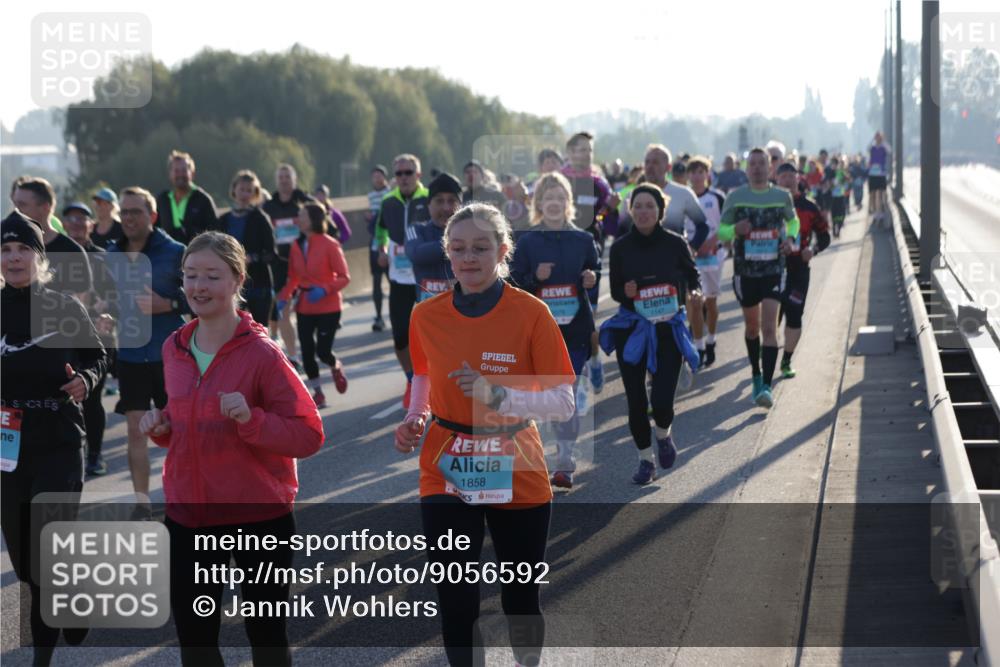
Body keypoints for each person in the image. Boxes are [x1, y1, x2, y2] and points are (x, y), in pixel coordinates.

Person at [394, 202, 575, 667]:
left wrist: (499, 397)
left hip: (517, 463)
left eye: (480, 247)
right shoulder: (424, 316)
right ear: (446, 254)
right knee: (455, 599)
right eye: (458, 248)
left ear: (503, 251)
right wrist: (417, 415)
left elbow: (563, 401)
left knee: (520, 597)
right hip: (446, 460)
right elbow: (423, 374)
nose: (468, 257)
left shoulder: (531, 313)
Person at [139, 231, 324, 667]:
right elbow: (183, 418)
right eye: (190, 275)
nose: (199, 287)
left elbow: (309, 433)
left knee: (265, 636)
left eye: (212, 276)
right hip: (188, 515)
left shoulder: (263, 354)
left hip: (257, 516)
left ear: (237, 279)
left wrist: (251, 420)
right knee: (196, 641)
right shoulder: (175, 347)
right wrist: (162, 427)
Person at [1, 211, 107, 666]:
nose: (14, 257)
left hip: (60, 439)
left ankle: (41, 659)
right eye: (5, 250)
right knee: (26, 564)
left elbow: (98, 357)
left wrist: (85, 378)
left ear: (39, 257)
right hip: (8, 445)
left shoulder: (64, 308)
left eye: (23, 248)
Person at [597, 185, 701, 485]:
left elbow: (692, 275)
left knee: (662, 401)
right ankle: (645, 460)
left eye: (650, 206)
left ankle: (664, 435)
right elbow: (616, 290)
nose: (643, 211)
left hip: (667, 329)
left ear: (660, 211)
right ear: (631, 210)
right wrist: (625, 291)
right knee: (636, 401)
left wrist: (694, 291)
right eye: (638, 206)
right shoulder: (620, 248)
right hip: (632, 329)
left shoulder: (675, 243)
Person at [510, 172, 600, 489]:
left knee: (568, 395)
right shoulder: (527, 242)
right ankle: (531, 457)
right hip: (539, 333)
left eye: (560, 198)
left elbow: (594, 277)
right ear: (539, 204)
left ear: (568, 204)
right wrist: (535, 277)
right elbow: (514, 284)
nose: (554, 204)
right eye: (548, 198)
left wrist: (591, 280)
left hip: (575, 331)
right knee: (540, 397)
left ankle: (564, 460)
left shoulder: (584, 240)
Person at [104, 186, 187, 517]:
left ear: (152, 216)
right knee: (136, 429)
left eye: (135, 212)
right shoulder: (111, 254)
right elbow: (107, 297)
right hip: (131, 356)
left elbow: (202, 296)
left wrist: (168, 303)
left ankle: (181, 495)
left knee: (178, 429)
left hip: (171, 356)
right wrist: (103, 312)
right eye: (123, 212)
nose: (127, 218)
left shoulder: (176, 251)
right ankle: (142, 502)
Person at [717, 148, 800, 408]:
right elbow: (721, 232)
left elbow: (794, 223)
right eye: (752, 164)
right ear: (746, 168)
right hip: (746, 272)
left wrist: (789, 239)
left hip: (774, 270)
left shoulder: (782, 196)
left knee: (769, 328)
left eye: (761, 163)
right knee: (752, 328)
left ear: (769, 168)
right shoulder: (736, 197)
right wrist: (734, 230)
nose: (757, 168)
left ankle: (766, 385)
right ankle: (755, 373)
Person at [274, 203, 350, 408]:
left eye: (302, 215)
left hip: (329, 306)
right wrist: (284, 297)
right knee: (307, 351)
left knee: (323, 352)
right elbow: (294, 277)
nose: (298, 219)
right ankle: (318, 393)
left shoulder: (330, 244)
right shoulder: (296, 245)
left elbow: (344, 277)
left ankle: (335, 366)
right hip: (305, 305)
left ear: (314, 220)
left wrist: (325, 289)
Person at [62, 201, 118, 476]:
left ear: (91, 225)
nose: (76, 223)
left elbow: (116, 296)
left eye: (82, 218)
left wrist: (104, 311)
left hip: (98, 338)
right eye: (70, 218)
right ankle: (73, 452)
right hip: (61, 338)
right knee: (66, 399)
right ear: (62, 223)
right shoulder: (53, 255)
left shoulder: (101, 257)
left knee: (92, 399)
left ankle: (94, 454)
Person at [561, 132, 619, 394]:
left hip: (589, 257)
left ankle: (592, 362)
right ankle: (572, 375)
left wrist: (610, 209)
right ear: (570, 152)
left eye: (590, 150)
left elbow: (606, 221)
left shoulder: (599, 184)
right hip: (559, 257)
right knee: (561, 318)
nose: (586, 155)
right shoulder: (558, 182)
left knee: (587, 318)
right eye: (581, 150)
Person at [374, 153, 431, 409]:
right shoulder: (388, 202)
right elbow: (380, 232)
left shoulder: (430, 198)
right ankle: (411, 379)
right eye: (399, 174)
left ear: (418, 175)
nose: (404, 178)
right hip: (399, 277)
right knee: (399, 336)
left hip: (427, 278)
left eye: (408, 173)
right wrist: (382, 250)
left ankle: (433, 383)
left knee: (429, 336)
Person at [775, 162, 830, 379]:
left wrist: (813, 250)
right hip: (772, 269)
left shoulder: (809, 207)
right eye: (783, 176)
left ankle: (787, 360)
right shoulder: (769, 205)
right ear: (776, 179)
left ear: (798, 178)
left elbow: (825, 236)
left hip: (799, 269)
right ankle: (766, 354)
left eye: (791, 176)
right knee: (770, 318)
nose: (787, 180)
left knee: (794, 314)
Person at [11, 176, 93, 302]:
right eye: (15, 204)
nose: (15, 211)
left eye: (22, 205)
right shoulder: (6, 247)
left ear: (45, 207)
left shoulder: (71, 252)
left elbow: (80, 306)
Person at [213, 170, 277, 326]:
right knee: (230, 330)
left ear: (254, 194)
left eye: (249, 190)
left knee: (259, 330)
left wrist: (252, 258)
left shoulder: (261, 219)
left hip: (258, 285)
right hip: (230, 285)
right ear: (234, 190)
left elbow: (271, 254)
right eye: (242, 189)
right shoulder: (223, 220)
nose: (245, 194)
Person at [262, 164, 311, 368]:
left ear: (294, 179)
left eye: (287, 177)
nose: (283, 180)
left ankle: (306, 348)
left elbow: (324, 223)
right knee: (283, 311)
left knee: (305, 313)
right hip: (280, 266)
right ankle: (293, 356)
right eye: (280, 177)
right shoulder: (268, 208)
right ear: (276, 181)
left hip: (305, 265)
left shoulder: (304, 202)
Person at [687, 156, 727, 367]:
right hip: (693, 257)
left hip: (713, 256)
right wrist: (692, 247)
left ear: (707, 174)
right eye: (692, 172)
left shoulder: (717, 197)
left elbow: (726, 226)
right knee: (695, 302)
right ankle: (699, 346)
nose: (696, 175)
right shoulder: (685, 198)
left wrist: (711, 242)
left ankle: (711, 340)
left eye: (700, 171)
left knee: (710, 302)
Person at [406, 172, 460, 302]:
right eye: (439, 201)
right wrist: (458, 243)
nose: (446, 208)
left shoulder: (472, 232)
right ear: (429, 205)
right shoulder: (416, 229)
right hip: (428, 314)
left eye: (452, 201)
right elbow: (416, 253)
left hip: (463, 313)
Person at [155, 150, 218, 244]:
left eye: (184, 170)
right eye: (176, 171)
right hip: (167, 256)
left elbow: (215, 233)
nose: (180, 174)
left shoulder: (203, 199)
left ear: (192, 173)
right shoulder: (162, 199)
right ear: (170, 174)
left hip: (195, 256)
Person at [366, 165, 392, 331]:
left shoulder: (390, 193)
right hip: (375, 242)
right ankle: (378, 317)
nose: (377, 178)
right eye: (374, 176)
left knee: (394, 282)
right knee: (376, 281)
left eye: (379, 175)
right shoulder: (370, 196)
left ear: (385, 177)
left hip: (390, 242)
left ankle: (402, 315)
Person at [868, 132, 891, 222]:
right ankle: (875, 213)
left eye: (879, 137)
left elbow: (890, 150)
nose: (878, 139)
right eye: (877, 137)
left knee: (881, 193)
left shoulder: (883, 147)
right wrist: (873, 139)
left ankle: (881, 212)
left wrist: (883, 141)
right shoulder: (872, 147)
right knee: (873, 194)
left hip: (881, 174)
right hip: (872, 174)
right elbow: (867, 148)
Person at [828, 156, 850, 238]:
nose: (833, 165)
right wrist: (831, 184)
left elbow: (848, 180)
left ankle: (839, 228)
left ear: (837, 164)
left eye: (834, 164)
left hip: (841, 196)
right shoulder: (829, 172)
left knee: (841, 214)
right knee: (834, 214)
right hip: (833, 197)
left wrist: (843, 181)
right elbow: (827, 183)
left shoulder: (841, 172)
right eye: (832, 164)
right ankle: (834, 228)